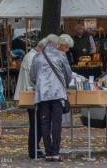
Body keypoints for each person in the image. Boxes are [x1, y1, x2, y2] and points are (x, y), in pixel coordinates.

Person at [30, 34, 72, 162]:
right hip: (58, 94)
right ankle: (55, 153)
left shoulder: (37, 56)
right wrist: (64, 84)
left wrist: (40, 84)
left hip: (42, 95)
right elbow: (68, 75)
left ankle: (48, 153)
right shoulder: (61, 55)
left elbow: (32, 77)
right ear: (57, 44)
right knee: (56, 123)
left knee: (44, 123)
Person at [13, 38, 47, 159]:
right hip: (32, 95)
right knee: (36, 123)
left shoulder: (30, 56)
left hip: (30, 94)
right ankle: (34, 149)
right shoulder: (33, 57)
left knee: (35, 123)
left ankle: (35, 148)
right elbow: (33, 78)